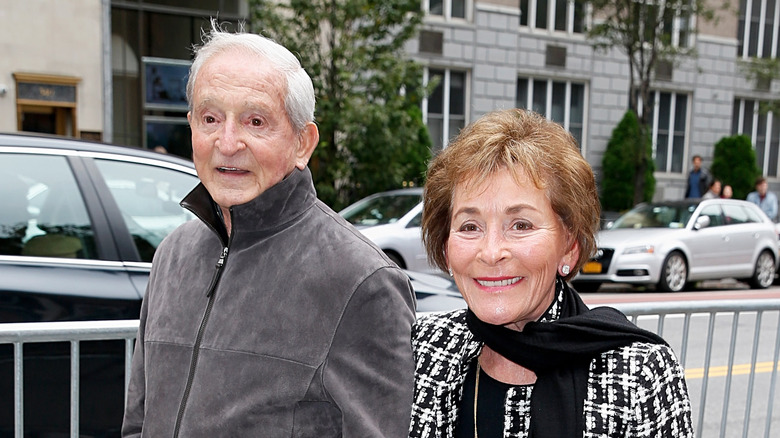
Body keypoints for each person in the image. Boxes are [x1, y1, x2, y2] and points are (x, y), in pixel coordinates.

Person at [122, 22, 416, 437]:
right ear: (191, 127)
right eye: (210, 118)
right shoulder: (173, 254)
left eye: (255, 121)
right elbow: (139, 420)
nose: (227, 142)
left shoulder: (361, 282)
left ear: (302, 144)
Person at [409, 109, 693, 437]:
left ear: (569, 247)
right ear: (446, 246)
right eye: (470, 226)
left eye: (521, 225)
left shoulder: (638, 373)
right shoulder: (426, 347)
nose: (491, 252)